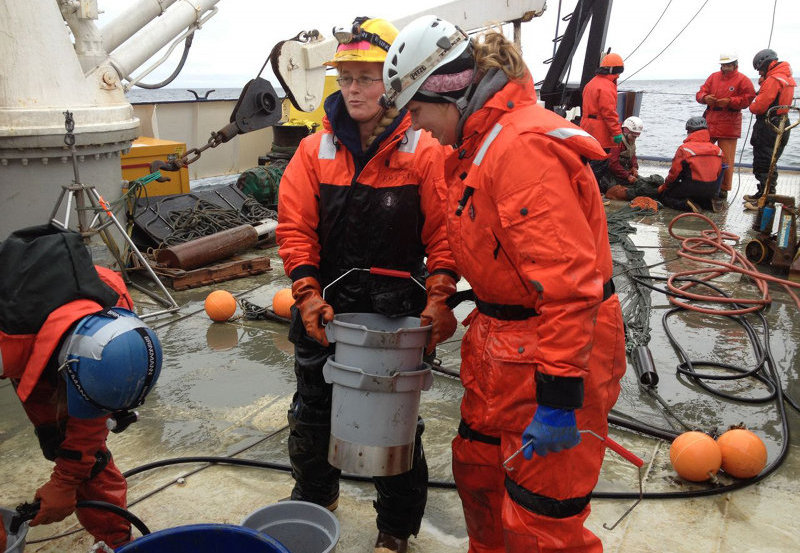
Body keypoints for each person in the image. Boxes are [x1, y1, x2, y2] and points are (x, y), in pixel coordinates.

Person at [381, 16, 626, 552]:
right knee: (479, 476)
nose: (417, 128)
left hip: (555, 351)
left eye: (417, 112)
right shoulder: (473, 148)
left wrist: (559, 395)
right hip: (500, 345)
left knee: (541, 521)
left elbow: (567, 285)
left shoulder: (521, 150)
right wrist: (441, 294)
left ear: (448, 94)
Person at [275, 16, 458, 553]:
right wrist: (307, 294)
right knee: (311, 414)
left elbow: (445, 234)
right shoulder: (314, 151)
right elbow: (294, 228)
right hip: (326, 308)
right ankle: (315, 501)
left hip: (396, 311)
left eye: (367, 77)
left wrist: (441, 296)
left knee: (394, 424)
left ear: (393, 82)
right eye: (346, 78)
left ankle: (395, 531)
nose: (353, 89)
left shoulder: (424, 150)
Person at [0, 225, 162, 549]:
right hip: (20, 335)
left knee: (84, 452)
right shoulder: (7, 345)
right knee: (56, 432)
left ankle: (117, 541)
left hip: (53, 334)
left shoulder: (115, 305)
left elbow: (89, 424)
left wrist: (67, 479)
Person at [695, 54, 756, 200]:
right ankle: (700, 180)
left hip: (729, 122)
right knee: (701, 152)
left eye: (728, 65)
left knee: (727, 159)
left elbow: (748, 98)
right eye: (723, 65)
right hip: (710, 120)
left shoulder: (743, 79)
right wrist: (705, 98)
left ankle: (724, 188)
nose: (725, 68)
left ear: (735, 65)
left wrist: (730, 101)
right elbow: (700, 93)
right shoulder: (713, 77)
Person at [744, 48, 795, 203]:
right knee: (771, 161)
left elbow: (758, 107)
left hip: (768, 125)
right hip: (782, 123)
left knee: (763, 161)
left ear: (765, 64)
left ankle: (766, 197)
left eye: (760, 70)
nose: (759, 73)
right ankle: (765, 193)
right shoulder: (786, 78)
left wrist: (752, 104)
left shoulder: (773, 80)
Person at [657, 116, 724, 212]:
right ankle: (709, 202)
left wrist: (664, 187)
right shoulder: (717, 150)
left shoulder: (684, 149)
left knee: (665, 196)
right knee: (700, 196)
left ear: (689, 131)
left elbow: (674, 173)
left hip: (691, 187)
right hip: (712, 188)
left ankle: (686, 205)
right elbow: (719, 173)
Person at [580, 52, 625, 184]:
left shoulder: (591, 83)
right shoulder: (607, 86)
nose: (619, 75)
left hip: (587, 127)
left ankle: (582, 193)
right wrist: (617, 133)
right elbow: (609, 113)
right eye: (618, 72)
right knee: (600, 164)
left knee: (586, 162)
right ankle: (593, 194)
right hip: (600, 132)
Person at [603, 116, 664, 202]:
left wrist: (634, 167)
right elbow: (613, 164)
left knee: (654, 182)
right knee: (638, 190)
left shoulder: (630, 139)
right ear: (626, 131)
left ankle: (655, 191)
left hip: (624, 173)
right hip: (611, 176)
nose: (635, 139)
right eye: (634, 136)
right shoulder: (618, 141)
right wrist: (627, 176)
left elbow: (633, 155)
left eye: (636, 136)